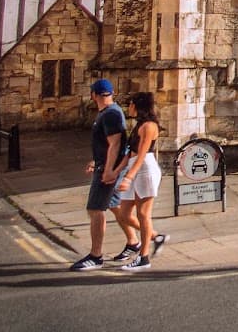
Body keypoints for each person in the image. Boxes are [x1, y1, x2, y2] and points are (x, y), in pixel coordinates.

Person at [69, 79, 131, 271]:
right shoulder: (108, 113)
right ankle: (136, 241)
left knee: (96, 210)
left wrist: (108, 170)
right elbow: (106, 145)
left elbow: (115, 144)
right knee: (114, 205)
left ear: (94, 95)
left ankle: (96, 256)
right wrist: (96, 161)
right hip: (104, 166)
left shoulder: (111, 113)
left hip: (107, 170)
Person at [113, 93, 170, 271]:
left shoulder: (149, 126)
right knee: (123, 214)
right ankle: (156, 237)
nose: (128, 107)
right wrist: (115, 173)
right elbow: (129, 154)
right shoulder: (138, 125)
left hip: (145, 169)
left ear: (137, 105)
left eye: (129, 104)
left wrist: (129, 177)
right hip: (134, 167)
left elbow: (142, 155)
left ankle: (143, 257)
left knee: (143, 215)